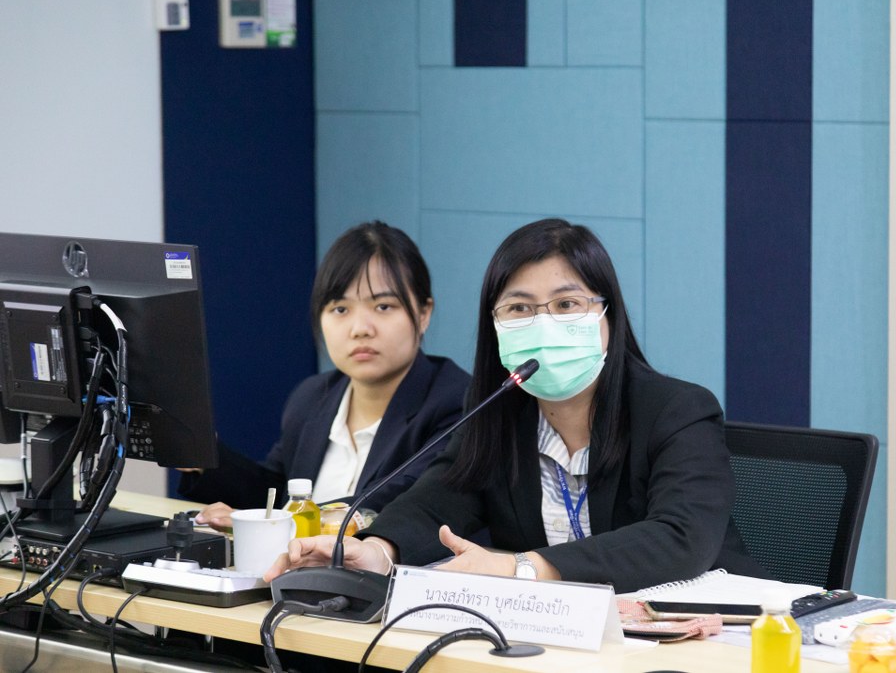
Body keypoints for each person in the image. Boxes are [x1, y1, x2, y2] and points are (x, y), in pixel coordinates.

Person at [264, 218, 762, 593]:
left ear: (607, 314)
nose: (544, 323)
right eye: (520, 308)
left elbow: (680, 537)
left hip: (704, 634)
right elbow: (436, 502)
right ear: (495, 325)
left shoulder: (677, 410)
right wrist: (376, 550)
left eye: (566, 304)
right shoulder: (498, 414)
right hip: (560, 642)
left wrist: (522, 568)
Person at [179, 221, 470, 530]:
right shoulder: (312, 396)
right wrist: (203, 455)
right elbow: (276, 493)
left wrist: (286, 521)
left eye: (383, 306)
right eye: (340, 309)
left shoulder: (458, 402)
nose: (360, 329)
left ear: (424, 313)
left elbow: (402, 501)